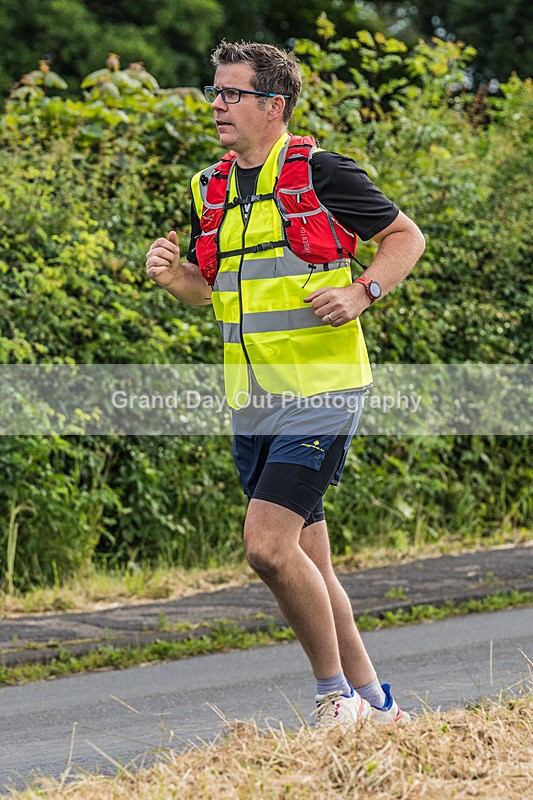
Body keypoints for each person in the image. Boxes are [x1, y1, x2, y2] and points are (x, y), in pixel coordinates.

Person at [146, 40, 425, 729]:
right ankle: (376, 703)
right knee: (307, 558)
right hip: (252, 399)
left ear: (273, 105)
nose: (216, 104)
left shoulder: (321, 172)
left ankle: (334, 698)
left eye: (231, 93)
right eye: (214, 92)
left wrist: (364, 291)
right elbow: (216, 293)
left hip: (322, 390)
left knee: (268, 547)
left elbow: (404, 237)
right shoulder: (207, 187)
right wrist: (174, 277)